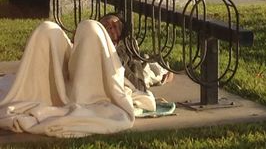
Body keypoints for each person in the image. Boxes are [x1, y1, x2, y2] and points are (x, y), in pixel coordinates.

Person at [0, 13, 170, 138]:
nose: (110, 26)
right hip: (61, 78)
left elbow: (138, 82)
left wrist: (113, 50)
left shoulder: (115, 52)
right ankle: (44, 96)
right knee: (48, 29)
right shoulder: (75, 39)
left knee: (90, 28)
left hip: (88, 87)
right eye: (107, 22)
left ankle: (80, 101)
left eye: (115, 27)